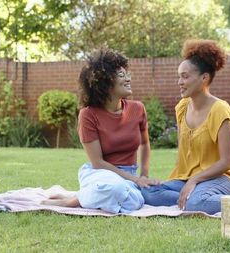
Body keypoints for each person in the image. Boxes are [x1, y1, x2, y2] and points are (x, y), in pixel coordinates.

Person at [42, 48, 160, 213]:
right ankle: (73, 201)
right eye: (121, 75)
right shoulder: (88, 115)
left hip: (128, 176)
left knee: (134, 199)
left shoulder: (138, 108)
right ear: (105, 83)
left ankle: (84, 195)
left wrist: (143, 176)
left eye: (127, 74)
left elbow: (145, 144)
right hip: (100, 173)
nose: (128, 79)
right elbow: (97, 163)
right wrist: (135, 180)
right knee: (120, 191)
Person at [141, 39, 230, 215]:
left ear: (204, 78)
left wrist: (195, 180)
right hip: (186, 178)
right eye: (179, 76)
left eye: (185, 76)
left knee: (197, 204)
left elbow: (227, 161)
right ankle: (191, 198)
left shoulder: (220, 110)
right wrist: (189, 181)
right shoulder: (182, 107)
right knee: (147, 191)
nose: (179, 82)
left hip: (222, 178)